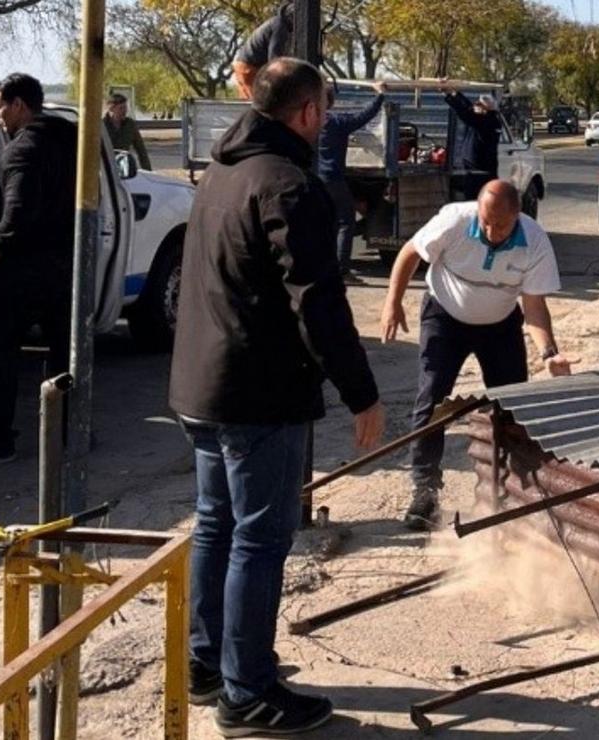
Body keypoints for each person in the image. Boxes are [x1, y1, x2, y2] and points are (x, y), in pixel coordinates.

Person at [169, 58, 385, 736]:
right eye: (325, 103)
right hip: (256, 393)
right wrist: (362, 394)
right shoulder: (289, 185)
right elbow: (318, 302)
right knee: (259, 541)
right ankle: (247, 691)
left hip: (203, 386)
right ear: (309, 114)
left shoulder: (225, 170)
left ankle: (208, 665)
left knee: (217, 526)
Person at [381, 180, 574, 530]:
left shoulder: (534, 240)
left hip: (499, 324)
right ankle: (425, 490)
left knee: (512, 405)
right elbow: (411, 251)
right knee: (432, 399)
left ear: (518, 216)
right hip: (445, 315)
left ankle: (509, 487)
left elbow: (533, 306)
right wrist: (393, 302)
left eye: (500, 224)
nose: (490, 230)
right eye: (485, 221)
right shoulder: (455, 220)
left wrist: (548, 353)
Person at [0, 73, 76, 464]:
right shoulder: (71, 138)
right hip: (65, 266)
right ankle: (68, 435)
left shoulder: (23, 149)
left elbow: (18, 213)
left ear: (19, 105)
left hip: (23, 271)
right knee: (63, 352)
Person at [318, 81, 386, 277]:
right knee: (345, 222)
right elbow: (364, 116)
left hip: (315, 180)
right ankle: (341, 272)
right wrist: (380, 95)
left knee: (323, 223)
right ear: (331, 102)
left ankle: (324, 267)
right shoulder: (337, 123)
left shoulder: (309, 123)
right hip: (333, 178)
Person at [440, 80, 502, 199]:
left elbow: (464, 112)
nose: (475, 106)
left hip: (478, 171)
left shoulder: (485, 121)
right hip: (484, 170)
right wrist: (454, 92)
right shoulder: (491, 119)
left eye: (479, 104)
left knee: (475, 201)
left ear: (485, 108)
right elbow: (469, 107)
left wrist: (448, 95)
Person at [231, 1, 293, 100]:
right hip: (249, 68)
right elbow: (274, 57)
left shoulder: (278, 24)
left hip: (248, 66)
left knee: (252, 104)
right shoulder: (280, 27)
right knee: (258, 104)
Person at [103, 93, 152, 170]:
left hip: (124, 167)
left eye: (126, 108)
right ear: (111, 108)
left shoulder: (130, 125)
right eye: (121, 108)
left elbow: (141, 150)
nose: (125, 111)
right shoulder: (101, 126)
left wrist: (148, 170)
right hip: (105, 169)